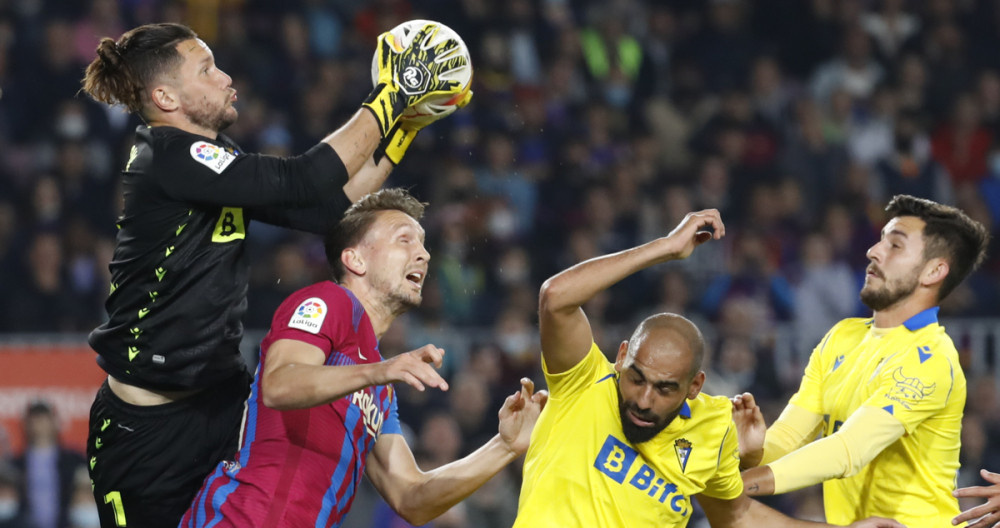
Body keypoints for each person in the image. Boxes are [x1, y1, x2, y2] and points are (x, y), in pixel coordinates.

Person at [79, 21, 471, 528]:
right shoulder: (167, 156)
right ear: (164, 97)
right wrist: (393, 93)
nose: (225, 78)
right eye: (206, 69)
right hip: (146, 431)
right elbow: (302, 177)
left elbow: (327, 211)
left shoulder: (214, 159)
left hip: (219, 405)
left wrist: (404, 128)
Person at [511, 208, 901, 527]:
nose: (644, 400)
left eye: (664, 388)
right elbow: (556, 297)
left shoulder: (713, 428)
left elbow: (737, 517)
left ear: (695, 386)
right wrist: (664, 249)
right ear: (622, 355)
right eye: (636, 378)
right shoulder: (583, 382)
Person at [179, 188, 546, 527]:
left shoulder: (380, 389)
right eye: (404, 240)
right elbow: (279, 383)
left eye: (422, 244)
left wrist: (505, 446)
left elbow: (412, 498)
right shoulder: (330, 302)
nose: (424, 253)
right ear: (355, 259)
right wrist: (381, 370)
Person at [735, 194, 990, 527]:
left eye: (895, 245)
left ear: (934, 270)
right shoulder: (843, 336)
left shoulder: (931, 358)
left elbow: (848, 450)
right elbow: (788, 438)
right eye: (880, 240)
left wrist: (737, 486)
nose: (873, 251)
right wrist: (751, 454)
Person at [12, 401, 85, 528]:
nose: (40, 425)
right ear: (26, 425)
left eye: (44, 420)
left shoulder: (74, 461)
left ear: (54, 422)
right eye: (35, 420)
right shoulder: (15, 464)